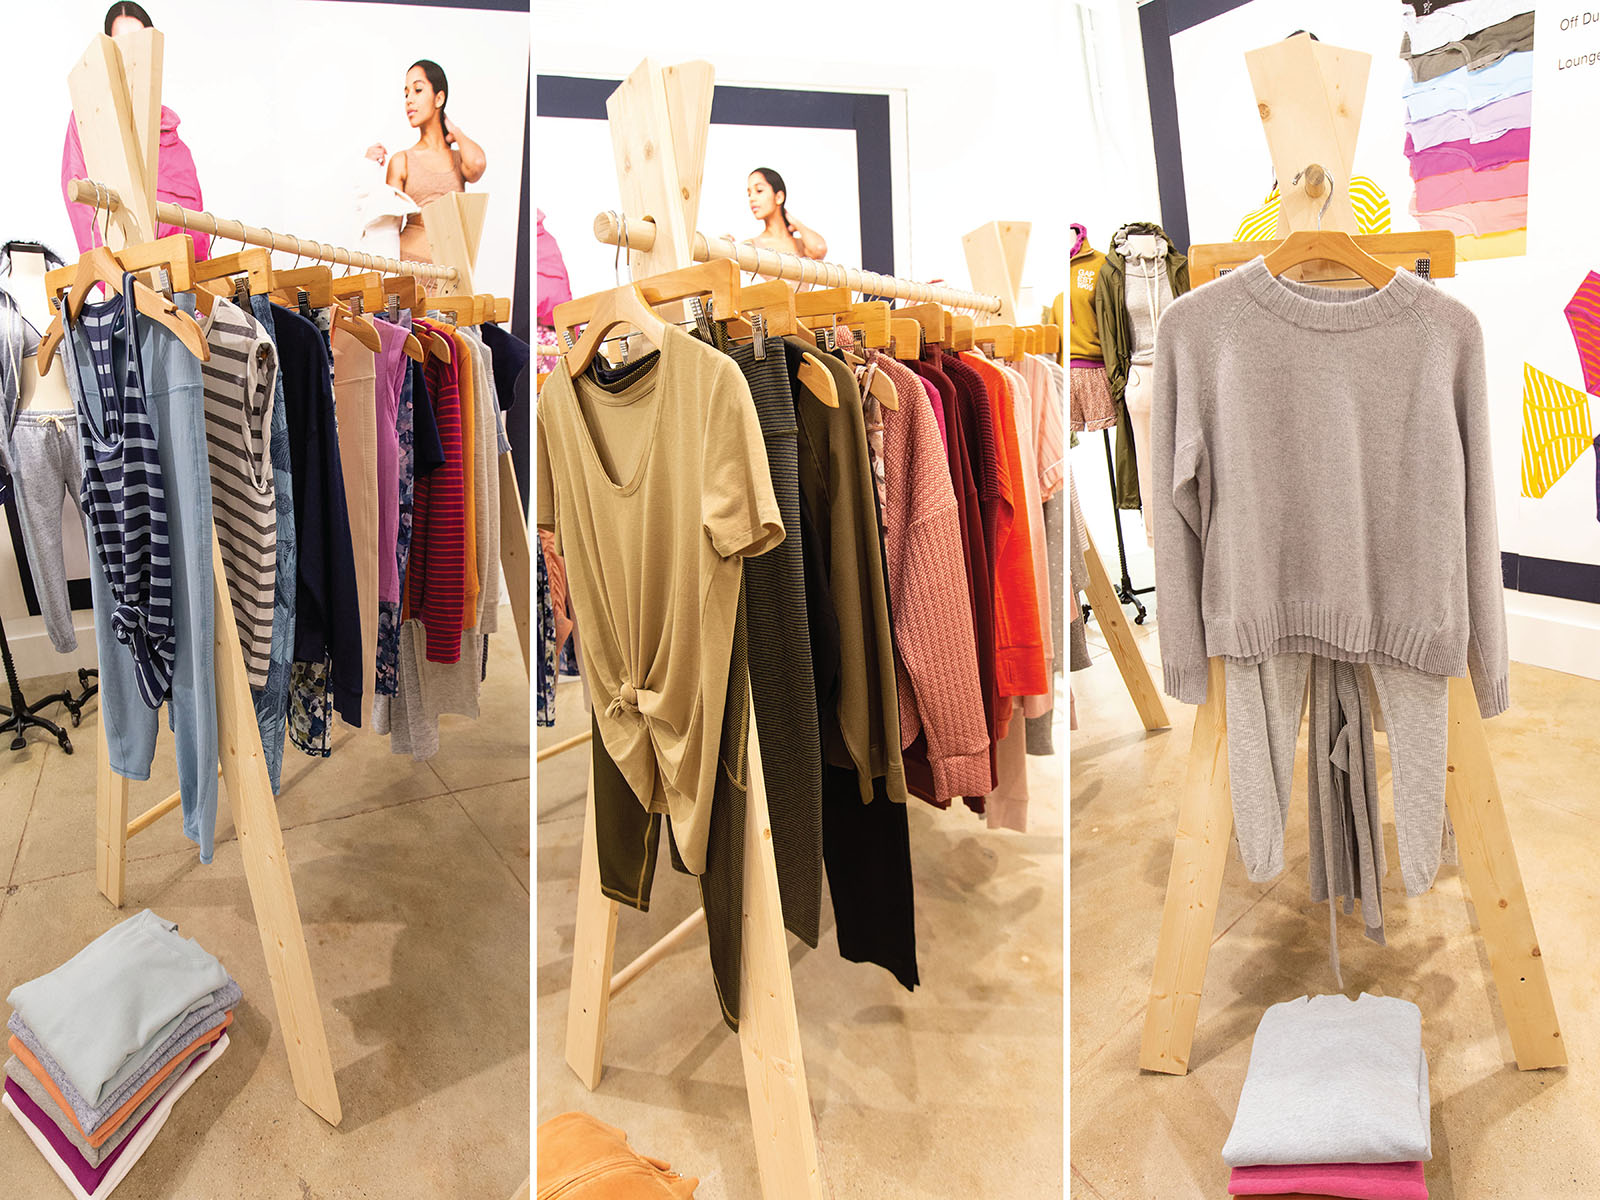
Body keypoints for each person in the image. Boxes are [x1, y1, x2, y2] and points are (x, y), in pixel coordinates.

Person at [61, 3, 209, 259]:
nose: (132, 50)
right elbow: (83, 212)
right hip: (125, 271)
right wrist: (111, 272)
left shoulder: (175, 142)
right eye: (121, 43)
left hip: (180, 273)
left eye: (139, 40)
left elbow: (198, 232)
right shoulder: (87, 118)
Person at [366, 60, 487, 266]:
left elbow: (477, 164)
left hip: (450, 269)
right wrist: (368, 169)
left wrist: (455, 131)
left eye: (418, 90)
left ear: (439, 98)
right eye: (406, 94)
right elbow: (387, 229)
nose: (409, 100)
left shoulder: (459, 160)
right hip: (409, 267)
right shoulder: (402, 160)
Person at [745, 167, 826, 285]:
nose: (752, 198)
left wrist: (796, 223)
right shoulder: (751, 246)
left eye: (759, 190)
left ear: (779, 197)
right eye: (749, 194)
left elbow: (819, 249)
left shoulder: (801, 246)